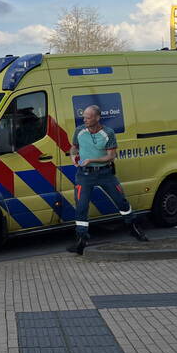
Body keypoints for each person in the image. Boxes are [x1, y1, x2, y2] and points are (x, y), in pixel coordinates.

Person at [67, 105, 148, 255]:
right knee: (81, 206)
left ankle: (133, 227)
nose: (84, 119)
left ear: (97, 118)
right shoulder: (79, 131)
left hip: (105, 173)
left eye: (88, 117)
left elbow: (110, 156)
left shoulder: (108, 133)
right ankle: (81, 239)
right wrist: (73, 156)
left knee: (121, 201)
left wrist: (91, 159)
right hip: (84, 175)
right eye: (84, 117)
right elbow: (74, 147)